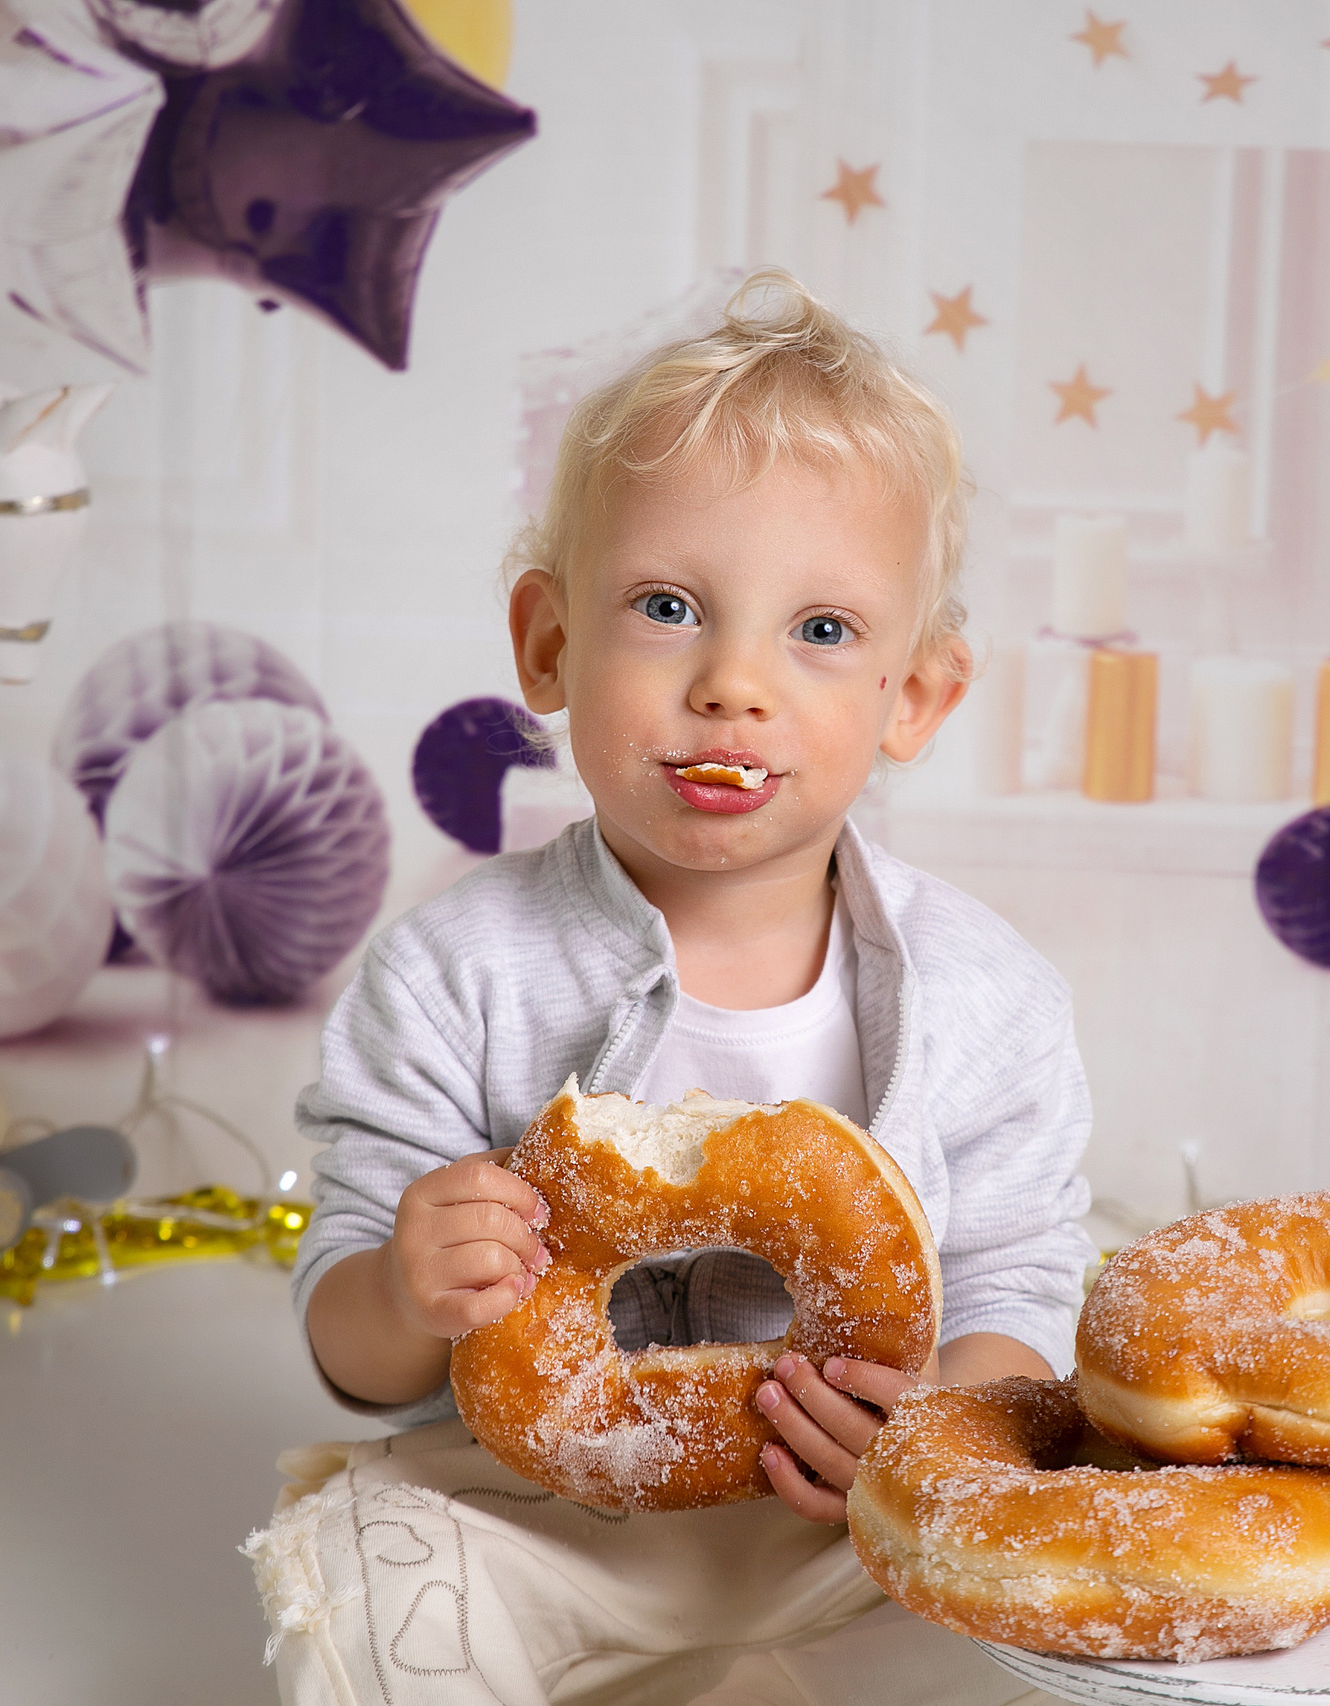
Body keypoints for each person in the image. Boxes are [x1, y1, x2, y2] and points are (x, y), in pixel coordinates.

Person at [247, 271, 1092, 1706]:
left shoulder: (987, 995)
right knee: (364, 1567)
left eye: (821, 631)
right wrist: (401, 1281)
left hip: (854, 1526)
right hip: (547, 1515)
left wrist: (939, 1420)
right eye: (667, 606)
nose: (732, 683)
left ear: (914, 697)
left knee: (1057, 1594)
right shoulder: (456, 970)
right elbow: (352, 1341)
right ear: (550, 644)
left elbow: (1019, 1279)